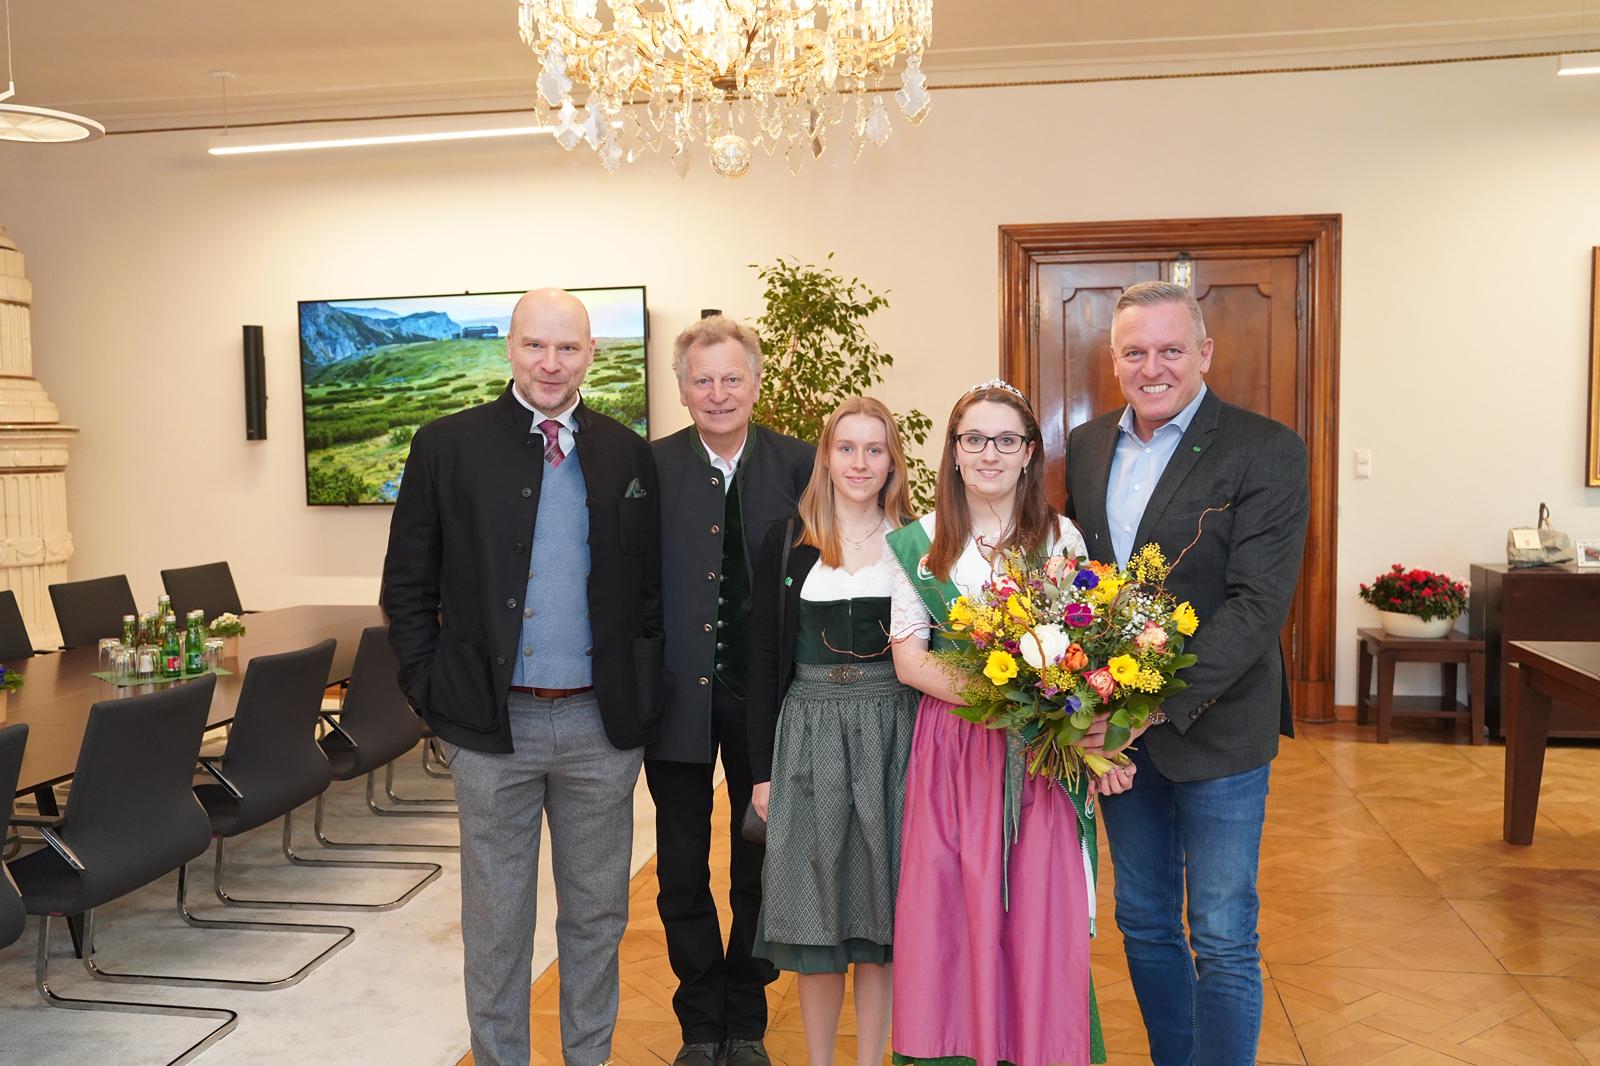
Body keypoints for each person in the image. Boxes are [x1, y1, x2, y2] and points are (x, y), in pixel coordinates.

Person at [382, 288, 663, 1066]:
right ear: (508, 346)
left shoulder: (624, 452)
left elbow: (647, 595)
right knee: (497, 921)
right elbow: (407, 585)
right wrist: (432, 691)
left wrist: (640, 692)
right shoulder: (446, 445)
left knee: (597, 917)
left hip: (598, 731)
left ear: (590, 355)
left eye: (568, 348)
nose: (550, 363)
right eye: (536, 346)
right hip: (489, 726)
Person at [1066, 280, 1310, 1066]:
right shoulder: (1089, 444)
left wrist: (1146, 706)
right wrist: (1098, 708)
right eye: (1135, 352)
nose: (1153, 367)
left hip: (1221, 731)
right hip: (1122, 741)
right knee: (1142, 920)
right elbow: (1085, 591)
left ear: (1205, 353)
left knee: (1223, 930)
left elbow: (1256, 605)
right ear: (1114, 361)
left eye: (1171, 349)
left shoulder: (1265, 448)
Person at [886, 381, 1102, 1066]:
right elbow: (911, 663)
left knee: (1038, 915)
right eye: (974, 438)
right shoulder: (922, 546)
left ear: (1029, 453)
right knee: (953, 909)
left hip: (1038, 758)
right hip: (953, 754)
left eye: (1006, 439)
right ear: (953, 452)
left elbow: (1082, 652)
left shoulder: (1060, 536)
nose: (989, 453)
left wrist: (1047, 712)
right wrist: (1008, 695)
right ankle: (959, 1046)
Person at [647, 315, 814, 1066]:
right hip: (675, 700)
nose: (718, 393)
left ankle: (744, 1017)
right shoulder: (648, 470)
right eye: (702, 380)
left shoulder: (802, 466)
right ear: (682, 390)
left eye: (731, 378)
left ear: (756, 383)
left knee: (760, 862)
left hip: (768, 705)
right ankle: (696, 1021)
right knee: (681, 864)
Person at [744, 396, 921, 1066]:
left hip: (893, 737)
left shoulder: (917, 542)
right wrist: (761, 771)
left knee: (880, 920)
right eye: (847, 448)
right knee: (817, 917)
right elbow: (763, 660)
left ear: (892, 461)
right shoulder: (786, 541)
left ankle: (870, 1060)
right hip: (807, 735)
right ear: (826, 455)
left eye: (875, 449)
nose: (860, 463)